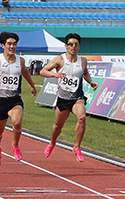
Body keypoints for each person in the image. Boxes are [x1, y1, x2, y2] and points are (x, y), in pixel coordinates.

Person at [0, 32, 37, 168]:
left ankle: (15, 145)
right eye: (9, 44)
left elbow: (25, 72)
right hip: (0, 101)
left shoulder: (20, 60)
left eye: (14, 43)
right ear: (3, 45)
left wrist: (32, 86)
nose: (12, 46)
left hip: (14, 99)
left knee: (17, 123)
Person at [40, 33, 98, 162]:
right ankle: (52, 142)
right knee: (57, 126)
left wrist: (91, 82)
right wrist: (55, 75)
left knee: (82, 118)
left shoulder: (82, 60)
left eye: (76, 44)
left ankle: (77, 147)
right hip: (63, 99)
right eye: (71, 44)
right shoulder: (59, 60)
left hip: (77, 97)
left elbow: (86, 73)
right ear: (66, 46)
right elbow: (42, 71)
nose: (73, 47)